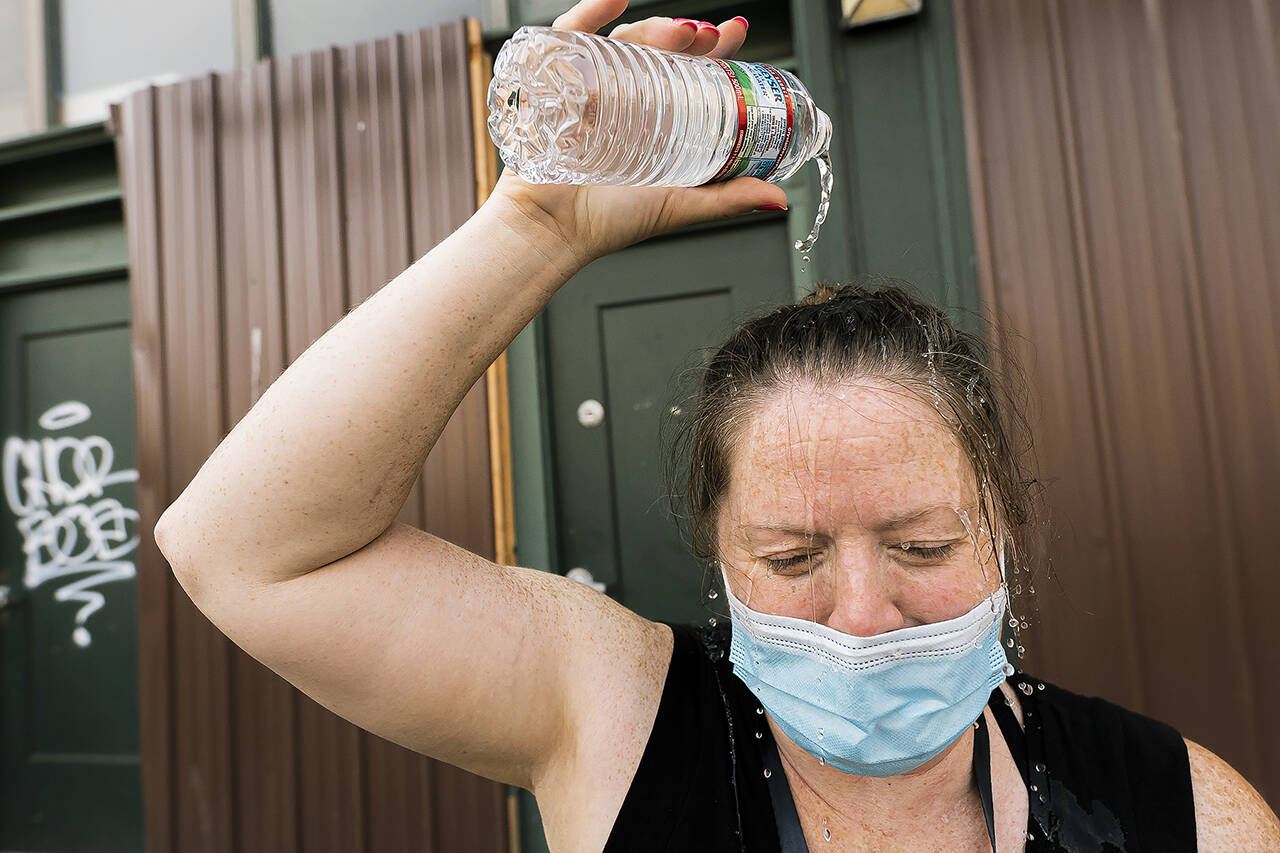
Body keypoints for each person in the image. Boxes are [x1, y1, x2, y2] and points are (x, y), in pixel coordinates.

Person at [154, 1, 1280, 849]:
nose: (859, 615)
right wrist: (531, 230)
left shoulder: (1183, 809)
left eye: (923, 546)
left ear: (1005, 534)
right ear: (719, 558)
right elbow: (246, 552)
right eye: (788, 555)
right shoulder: (614, 713)